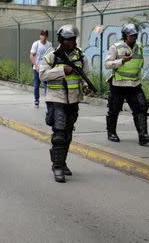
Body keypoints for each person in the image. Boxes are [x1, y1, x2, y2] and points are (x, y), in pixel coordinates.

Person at [39, 25, 91, 183]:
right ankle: (57, 167)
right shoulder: (52, 55)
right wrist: (63, 70)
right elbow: (42, 74)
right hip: (57, 99)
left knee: (68, 133)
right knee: (60, 134)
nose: (71, 42)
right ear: (61, 40)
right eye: (68, 39)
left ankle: (63, 162)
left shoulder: (80, 55)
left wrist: (85, 85)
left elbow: (85, 74)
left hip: (73, 100)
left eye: (73, 39)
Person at [104, 23, 149, 145]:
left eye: (135, 35)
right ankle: (111, 133)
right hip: (118, 84)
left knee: (142, 107)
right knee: (114, 109)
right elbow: (107, 64)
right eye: (130, 35)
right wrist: (121, 61)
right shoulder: (115, 47)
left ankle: (143, 135)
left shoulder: (139, 46)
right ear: (125, 36)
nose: (133, 37)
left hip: (134, 84)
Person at [30, 29, 52, 107]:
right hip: (37, 68)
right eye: (42, 35)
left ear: (47, 36)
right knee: (36, 85)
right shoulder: (36, 44)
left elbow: (51, 56)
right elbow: (31, 55)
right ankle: (36, 100)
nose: (44, 37)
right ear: (40, 35)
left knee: (47, 85)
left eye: (45, 35)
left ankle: (48, 100)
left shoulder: (49, 44)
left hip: (46, 68)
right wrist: (36, 66)